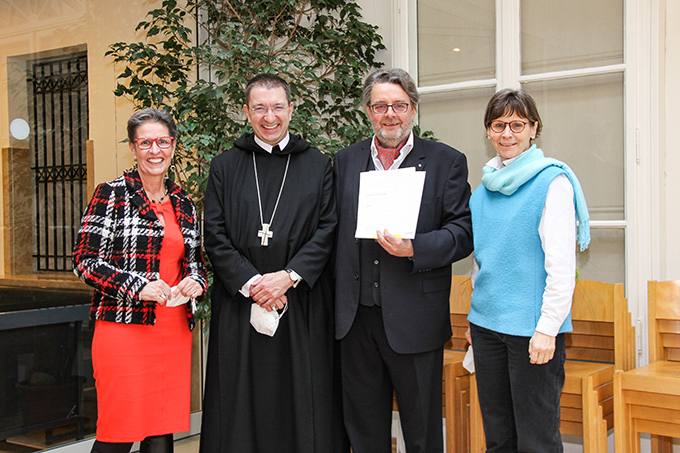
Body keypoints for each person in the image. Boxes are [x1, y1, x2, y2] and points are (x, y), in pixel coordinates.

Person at [200, 73, 347, 453]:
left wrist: (287, 277)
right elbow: (214, 236)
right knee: (240, 399)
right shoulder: (224, 167)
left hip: (300, 303)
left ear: (291, 109)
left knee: (302, 397)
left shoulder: (318, 165)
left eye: (278, 107)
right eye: (260, 108)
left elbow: (329, 229)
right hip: (240, 304)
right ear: (246, 112)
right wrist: (254, 284)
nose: (270, 116)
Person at [333, 68, 474, 453]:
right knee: (363, 429)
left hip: (415, 317)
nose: (389, 114)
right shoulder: (345, 161)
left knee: (422, 430)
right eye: (380, 106)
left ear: (413, 109)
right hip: (355, 319)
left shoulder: (446, 161)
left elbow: (463, 233)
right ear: (368, 110)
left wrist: (416, 248)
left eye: (399, 105)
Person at [72, 108, 207, 453]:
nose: (155, 150)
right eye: (145, 142)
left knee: (161, 434)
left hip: (172, 329)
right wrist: (137, 286)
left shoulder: (184, 202)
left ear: (173, 146)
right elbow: (85, 261)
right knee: (118, 432)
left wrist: (195, 281)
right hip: (124, 331)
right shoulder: (111, 194)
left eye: (162, 141)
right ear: (133, 149)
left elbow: (196, 263)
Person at [467, 89, 590, 452]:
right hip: (487, 326)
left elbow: (562, 267)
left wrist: (547, 330)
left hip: (532, 332)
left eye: (517, 124)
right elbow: (481, 260)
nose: (507, 134)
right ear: (488, 131)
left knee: (536, 439)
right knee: (499, 436)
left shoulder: (552, 182)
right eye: (498, 125)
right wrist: (476, 319)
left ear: (534, 128)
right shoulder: (483, 188)